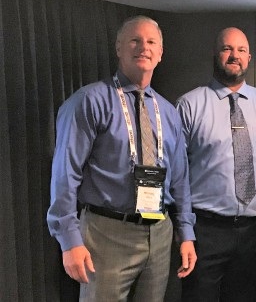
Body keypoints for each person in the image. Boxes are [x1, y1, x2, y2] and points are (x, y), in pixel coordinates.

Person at [47, 15, 196, 302]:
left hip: (159, 231)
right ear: (118, 48)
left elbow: (180, 179)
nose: (144, 47)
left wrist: (186, 232)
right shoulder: (89, 101)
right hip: (106, 233)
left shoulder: (167, 111)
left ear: (161, 53)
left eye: (151, 42)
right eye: (134, 40)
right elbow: (65, 173)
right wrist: (69, 239)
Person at [176, 27, 256, 302]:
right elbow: (176, 174)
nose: (233, 55)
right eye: (227, 49)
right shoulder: (189, 105)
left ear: (249, 57)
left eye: (240, 50)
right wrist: (185, 232)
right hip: (206, 229)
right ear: (215, 55)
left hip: (254, 230)